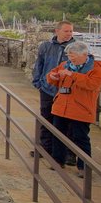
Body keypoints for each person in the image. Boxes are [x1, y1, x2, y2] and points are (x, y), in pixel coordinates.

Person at [46, 41, 101, 177]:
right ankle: (58, 160)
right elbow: (53, 76)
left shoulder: (95, 69)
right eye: (69, 56)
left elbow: (92, 84)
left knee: (81, 138)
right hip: (62, 107)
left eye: (73, 56)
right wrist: (52, 77)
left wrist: (73, 75)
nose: (70, 59)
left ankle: (84, 167)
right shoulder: (66, 65)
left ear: (84, 55)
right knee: (58, 135)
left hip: (81, 109)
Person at [31, 21, 76, 162]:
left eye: (71, 31)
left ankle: (68, 154)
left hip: (66, 91)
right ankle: (45, 148)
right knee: (46, 119)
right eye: (66, 31)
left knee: (67, 122)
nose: (69, 34)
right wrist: (38, 83)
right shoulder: (46, 46)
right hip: (47, 89)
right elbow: (39, 65)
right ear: (57, 31)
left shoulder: (76, 48)